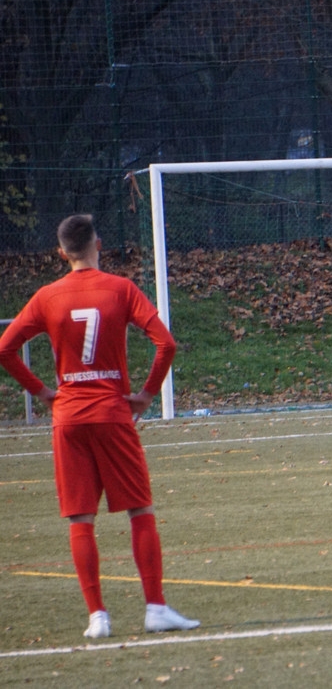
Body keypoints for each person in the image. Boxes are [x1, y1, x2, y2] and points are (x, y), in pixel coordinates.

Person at [0, 214, 199, 639]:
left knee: (80, 518)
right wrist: (146, 394)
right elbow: (165, 343)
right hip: (112, 413)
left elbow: (5, 349)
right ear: (98, 245)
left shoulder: (47, 296)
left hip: (69, 417)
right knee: (139, 510)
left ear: (61, 253)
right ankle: (155, 608)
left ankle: (97, 617)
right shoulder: (120, 289)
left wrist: (42, 392)